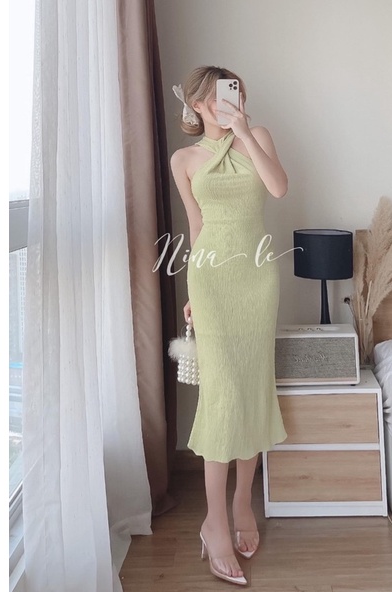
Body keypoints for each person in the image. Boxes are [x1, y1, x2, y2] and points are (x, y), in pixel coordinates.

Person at [170, 65, 288, 586]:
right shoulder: (184, 159)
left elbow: (278, 189)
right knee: (221, 397)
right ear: (197, 104)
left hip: (256, 280)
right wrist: (193, 296)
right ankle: (214, 521)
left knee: (251, 389)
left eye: (233, 93)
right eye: (214, 97)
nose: (224, 102)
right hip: (212, 283)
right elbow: (195, 225)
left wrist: (242, 131)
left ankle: (243, 504)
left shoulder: (256, 136)